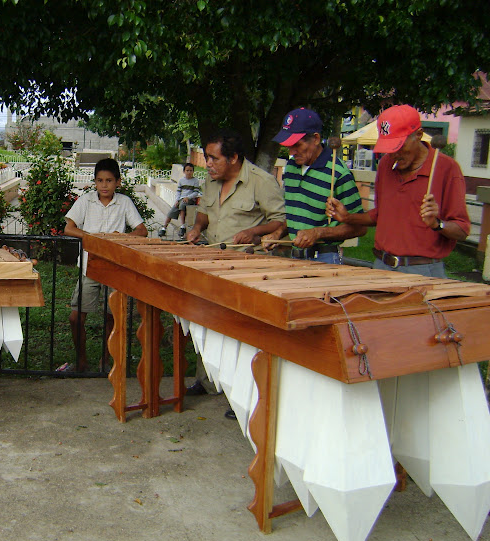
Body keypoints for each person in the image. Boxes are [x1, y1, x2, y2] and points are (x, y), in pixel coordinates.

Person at [185, 129, 285, 414]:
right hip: (212, 263)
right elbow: (205, 212)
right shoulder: (211, 180)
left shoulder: (261, 182)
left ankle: (240, 395)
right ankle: (206, 381)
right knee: (206, 321)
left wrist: (254, 231)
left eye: (214, 158)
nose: (208, 163)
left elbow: (280, 221)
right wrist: (196, 227)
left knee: (240, 331)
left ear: (233, 158)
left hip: (245, 267)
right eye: (206, 158)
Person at [326, 104, 469, 277]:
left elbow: (462, 230)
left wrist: (437, 224)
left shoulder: (447, 169)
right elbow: (381, 214)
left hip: (422, 270)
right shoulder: (386, 164)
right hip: (382, 265)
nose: (394, 154)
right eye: (389, 148)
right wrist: (348, 217)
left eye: (399, 146)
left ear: (418, 135)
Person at [61, 158, 147, 373]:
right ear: (95, 182)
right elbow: (69, 228)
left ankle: (105, 362)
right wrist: (93, 238)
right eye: (100, 180)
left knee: (112, 318)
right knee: (76, 316)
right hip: (90, 266)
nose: (104, 185)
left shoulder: (124, 202)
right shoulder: (86, 201)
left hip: (115, 268)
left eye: (109, 180)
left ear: (118, 182)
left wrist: (122, 238)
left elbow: (142, 230)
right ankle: (81, 362)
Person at [266, 108, 366, 263]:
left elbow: (360, 227)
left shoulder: (339, 173)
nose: (291, 152)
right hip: (295, 257)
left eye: (297, 145)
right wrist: (278, 233)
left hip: (324, 258)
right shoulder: (291, 167)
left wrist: (318, 233)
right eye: (288, 146)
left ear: (316, 139)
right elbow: (297, 214)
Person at [158, 163, 202, 238]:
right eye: (187, 170)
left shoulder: (195, 181)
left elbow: (195, 192)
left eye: (191, 170)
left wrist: (188, 197)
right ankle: (164, 228)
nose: (189, 172)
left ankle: (182, 226)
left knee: (182, 205)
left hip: (190, 199)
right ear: (184, 171)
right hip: (181, 199)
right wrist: (177, 200)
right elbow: (178, 191)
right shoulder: (181, 180)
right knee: (172, 210)